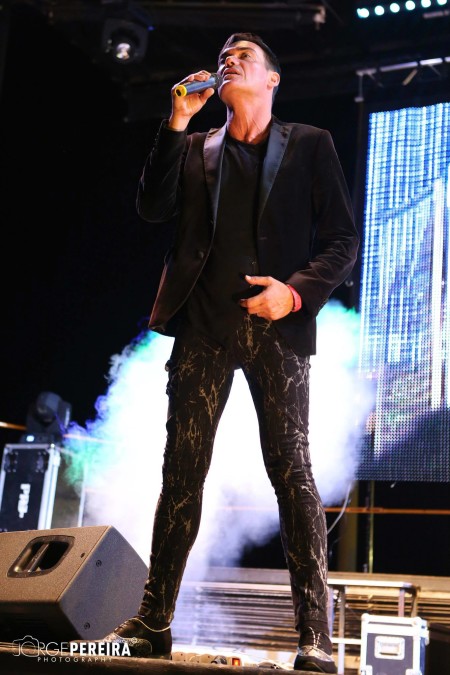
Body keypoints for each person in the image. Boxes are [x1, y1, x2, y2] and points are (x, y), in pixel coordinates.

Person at [103, 32, 359, 673]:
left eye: (245, 55)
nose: (230, 59)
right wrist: (176, 122)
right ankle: (153, 622)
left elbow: (342, 241)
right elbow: (151, 207)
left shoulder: (310, 144)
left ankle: (315, 637)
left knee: (292, 474)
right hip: (203, 328)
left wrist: (293, 295)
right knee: (181, 474)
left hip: (276, 330)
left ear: (273, 79)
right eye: (225, 54)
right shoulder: (195, 147)